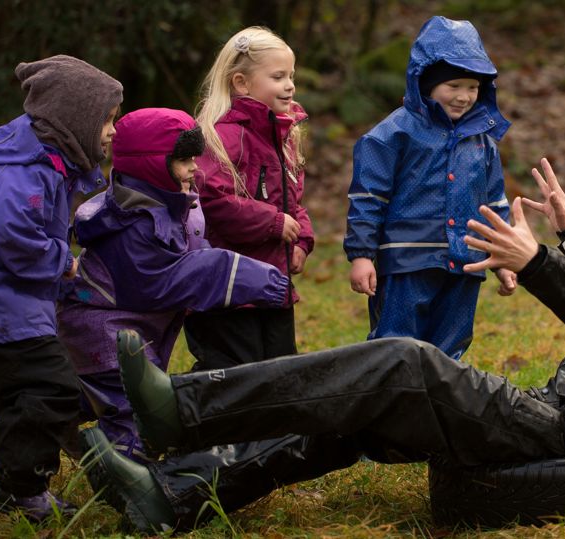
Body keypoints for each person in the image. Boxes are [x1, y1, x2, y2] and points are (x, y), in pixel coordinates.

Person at [82, 159, 565, 533]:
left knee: (404, 361)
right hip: (558, 418)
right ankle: (173, 498)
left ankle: (181, 411)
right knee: (367, 405)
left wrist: (538, 265)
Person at [0, 55, 123, 521]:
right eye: (107, 120)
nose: (113, 131)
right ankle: (21, 489)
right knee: (52, 389)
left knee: (26, 395)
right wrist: (62, 263)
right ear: (75, 119)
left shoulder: (47, 164)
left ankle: (17, 487)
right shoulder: (25, 169)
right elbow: (15, 235)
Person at [56, 108, 290, 464]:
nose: (194, 167)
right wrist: (235, 274)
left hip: (130, 328)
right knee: (130, 404)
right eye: (183, 160)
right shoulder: (132, 222)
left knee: (94, 393)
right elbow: (163, 280)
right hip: (102, 327)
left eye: (194, 158)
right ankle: (128, 471)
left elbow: (192, 249)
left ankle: (53, 420)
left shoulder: (176, 202)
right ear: (150, 165)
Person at [344, 16, 517, 361]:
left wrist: (503, 256)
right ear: (425, 81)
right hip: (406, 261)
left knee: (450, 348)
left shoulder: (482, 141)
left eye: (473, 87)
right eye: (453, 85)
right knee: (395, 345)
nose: (464, 97)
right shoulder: (392, 134)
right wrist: (362, 255)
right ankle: (393, 394)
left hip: (466, 262)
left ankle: (440, 395)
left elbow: (495, 203)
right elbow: (368, 198)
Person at [183, 26, 313, 371]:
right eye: (278, 77)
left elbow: (292, 200)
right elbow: (212, 200)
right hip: (230, 287)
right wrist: (273, 223)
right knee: (235, 373)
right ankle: (183, 402)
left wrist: (301, 238)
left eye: (291, 76)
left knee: (281, 369)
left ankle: (281, 411)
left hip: (273, 283)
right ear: (241, 83)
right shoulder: (222, 135)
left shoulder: (283, 136)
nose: (290, 85)